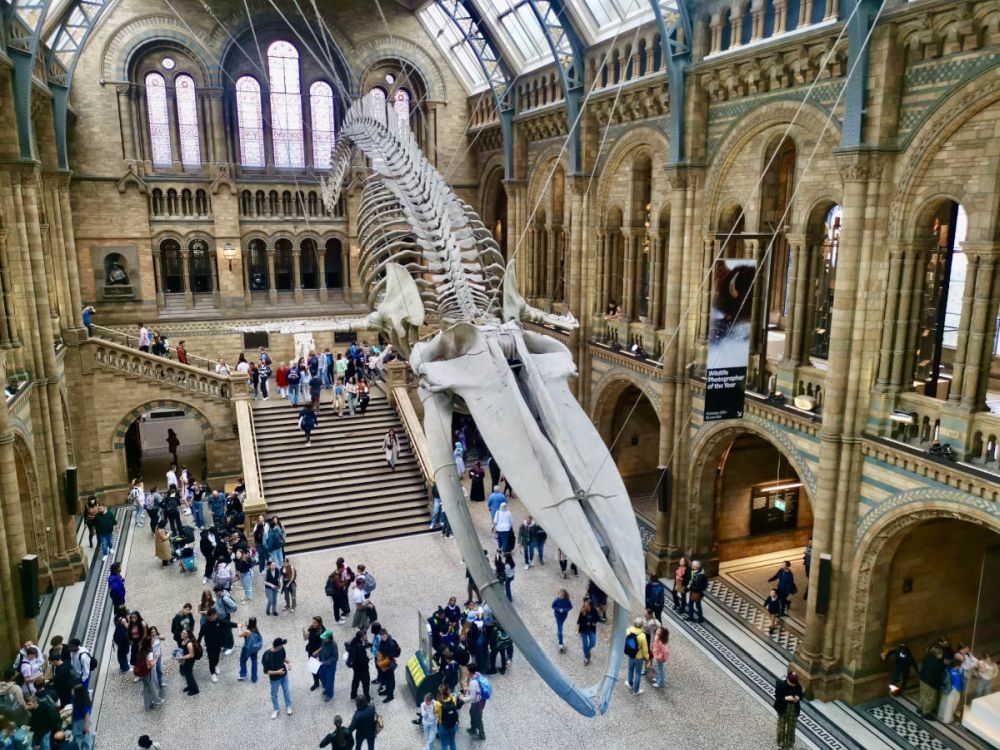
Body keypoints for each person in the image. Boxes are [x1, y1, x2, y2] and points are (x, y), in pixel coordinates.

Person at [198, 608, 235, 683]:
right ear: (209, 616)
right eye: (214, 615)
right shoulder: (204, 626)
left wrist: (237, 625)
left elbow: (227, 623)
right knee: (211, 660)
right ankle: (212, 673)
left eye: (216, 615)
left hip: (218, 644)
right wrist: (198, 643)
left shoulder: (217, 621)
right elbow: (200, 635)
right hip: (210, 646)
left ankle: (215, 666)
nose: (215, 616)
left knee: (217, 658)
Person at [262, 637, 293, 719]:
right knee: (274, 694)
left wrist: (289, 663)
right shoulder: (267, 655)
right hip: (275, 678)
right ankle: (276, 709)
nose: (282, 646)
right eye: (281, 645)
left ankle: (288, 706)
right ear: (278, 646)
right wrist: (277, 672)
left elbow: (283, 658)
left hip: (284, 675)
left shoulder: (281, 649)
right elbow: (266, 671)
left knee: (286, 690)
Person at [774, 670, 803, 750]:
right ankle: (781, 742)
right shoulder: (781, 685)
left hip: (793, 708)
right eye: (792, 684)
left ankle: (790, 743)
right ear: (788, 680)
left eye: (794, 684)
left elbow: (801, 694)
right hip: (783, 708)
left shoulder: (797, 686)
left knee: (792, 727)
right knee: (781, 726)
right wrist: (785, 698)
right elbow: (777, 696)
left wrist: (798, 697)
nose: (793, 686)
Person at [918, 645, 946, 718]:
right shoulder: (938, 663)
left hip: (923, 679)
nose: (941, 655)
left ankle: (920, 708)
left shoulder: (928, 658)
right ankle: (926, 713)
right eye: (940, 654)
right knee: (929, 698)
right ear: (936, 654)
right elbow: (937, 676)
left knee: (923, 694)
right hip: (930, 683)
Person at [463, 666, 489, 742]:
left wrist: (463, 699)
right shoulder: (477, 675)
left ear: (470, 672)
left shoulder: (473, 682)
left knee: (478, 718)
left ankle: (482, 735)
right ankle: (473, 728)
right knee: (472, 712)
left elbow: (472, 697)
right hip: (480, 701)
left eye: (467, 671)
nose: (466, 672)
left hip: (477, 703)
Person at [624, 617, 649, 695]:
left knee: (630, 670)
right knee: (637, 673)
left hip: (631, 654)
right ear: (641, 625)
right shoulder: (642, 636)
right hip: (639, 657)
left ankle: (630, 684)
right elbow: (645, 649)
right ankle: (636, 690)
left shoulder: (628, 631)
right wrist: (647, 658)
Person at [435, 684, 464, 750]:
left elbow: (436, 713)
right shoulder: (453, 699)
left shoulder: (438, 703)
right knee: (452, 742)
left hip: (443, 726)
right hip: (453, 725)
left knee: (444, 744)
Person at [237, 618, 263, 683]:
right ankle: (254, 678)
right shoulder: (256, 629)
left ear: (249, 623)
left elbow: (240, 635)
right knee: (254, 661)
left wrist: (239, 627)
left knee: (242, 660)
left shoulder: (247, 632)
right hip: (255, 649)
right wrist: (246, 626)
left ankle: (243, 674)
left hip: (247, 649)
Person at [348, 630, 371, 701]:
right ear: (361, 637)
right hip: (362, 668)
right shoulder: (360, 647)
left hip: (355, 666)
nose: (366, 636)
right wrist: (368, 658)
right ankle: (367, 697)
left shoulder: (353, 643)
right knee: (366, 682)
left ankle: (353, 695)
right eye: (365, 635)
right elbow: (363, 660)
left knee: (355, 680)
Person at [316, 629, 339, 701]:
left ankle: (329, 694)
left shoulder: (334, 645)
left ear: (329, 638)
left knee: (330, 680)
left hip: (330, 666)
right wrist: (317, 653)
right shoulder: (323, 641)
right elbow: (322, 648)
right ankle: (326, 689)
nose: (323, 639)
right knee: (322, 677)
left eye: (325, 638)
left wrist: (325, 663)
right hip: (322, 663)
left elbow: (335, 658)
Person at [175, 629, 199, 696]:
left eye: (184, 633)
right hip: (185, 660)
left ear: (188, 635)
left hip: (189, 661)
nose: (182, 634)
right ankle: (189, 686)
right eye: (182, 632)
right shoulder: (183, 640)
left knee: (189, 675)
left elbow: (192, 655)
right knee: (186, 675)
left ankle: (195, 690)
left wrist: (181, 657)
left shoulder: (189, 644)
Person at [70, 683, 93, 749]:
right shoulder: (82, 698)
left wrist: (86, 725)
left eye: (74, 691)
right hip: (78, 720)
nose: (72, 691)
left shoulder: (83, 703)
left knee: (83, 738)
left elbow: (87, 714)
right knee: (82, 737)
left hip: (81, 722)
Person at [577, 598, 598, 666]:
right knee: (585, 643)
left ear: (590, 605)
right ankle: (586, 657)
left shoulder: (594, 611)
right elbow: (579, 621)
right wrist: (577, 630)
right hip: (583, 630)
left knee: (593, 643)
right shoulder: (582, 610)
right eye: (585, 604)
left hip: (591, 629)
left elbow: (596, 621)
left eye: (587, 605)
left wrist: (591, 623)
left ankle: (587, 651)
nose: (585, 606)